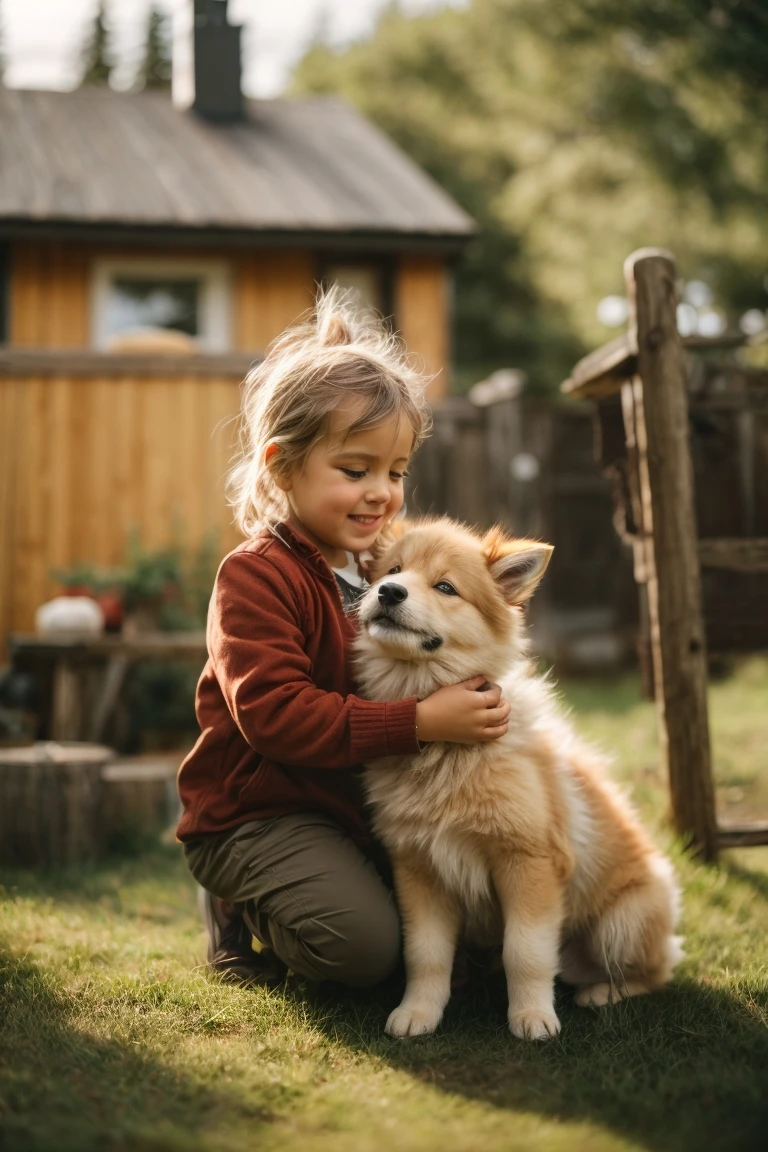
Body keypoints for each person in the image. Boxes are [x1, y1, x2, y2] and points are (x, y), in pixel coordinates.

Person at [177, 288, 511, 990]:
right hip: (259, 812)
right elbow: (276, 717)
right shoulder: (255, 578)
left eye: (395, 473)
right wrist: (418, 724)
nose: (381, 494)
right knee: (363, 954)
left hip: (350, 807)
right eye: (354, 471)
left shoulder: (381, 568)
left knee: (457, 932)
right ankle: (238, 907)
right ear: (281, 466)